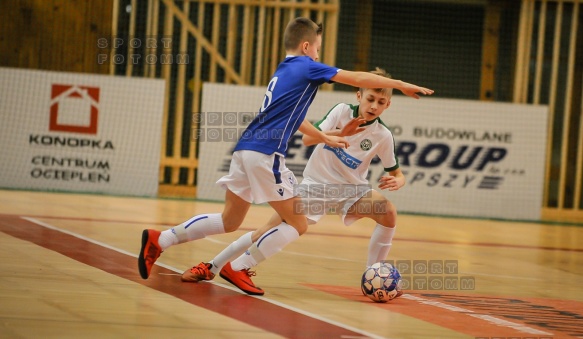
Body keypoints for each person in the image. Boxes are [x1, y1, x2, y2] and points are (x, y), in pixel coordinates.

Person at [138, 17, 433, 289]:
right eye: (317, 48)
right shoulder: (307, 68)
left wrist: (328, 137)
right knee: (296, 223)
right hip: (271, 157)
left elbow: (297, 121)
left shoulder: (285, 70)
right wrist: (400, 84)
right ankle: (235, 267)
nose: (318, 55)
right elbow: (358, 77)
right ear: (306, 47)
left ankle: (162, 239)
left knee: (231, 220)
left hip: (249, 149)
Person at [182, 68, 405, 296]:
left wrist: (398, 180)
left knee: (388, 212)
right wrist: (342, 133)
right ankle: (212, 266)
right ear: (359, 96)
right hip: (317, 186)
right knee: (267, 229)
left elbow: (396, 172)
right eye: (370, 99)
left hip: (352, 191)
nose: (374, 106)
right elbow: (308, 138)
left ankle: (373, 275)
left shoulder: (383, 135)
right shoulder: (341, 112)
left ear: (387, 105)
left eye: (381, 101)